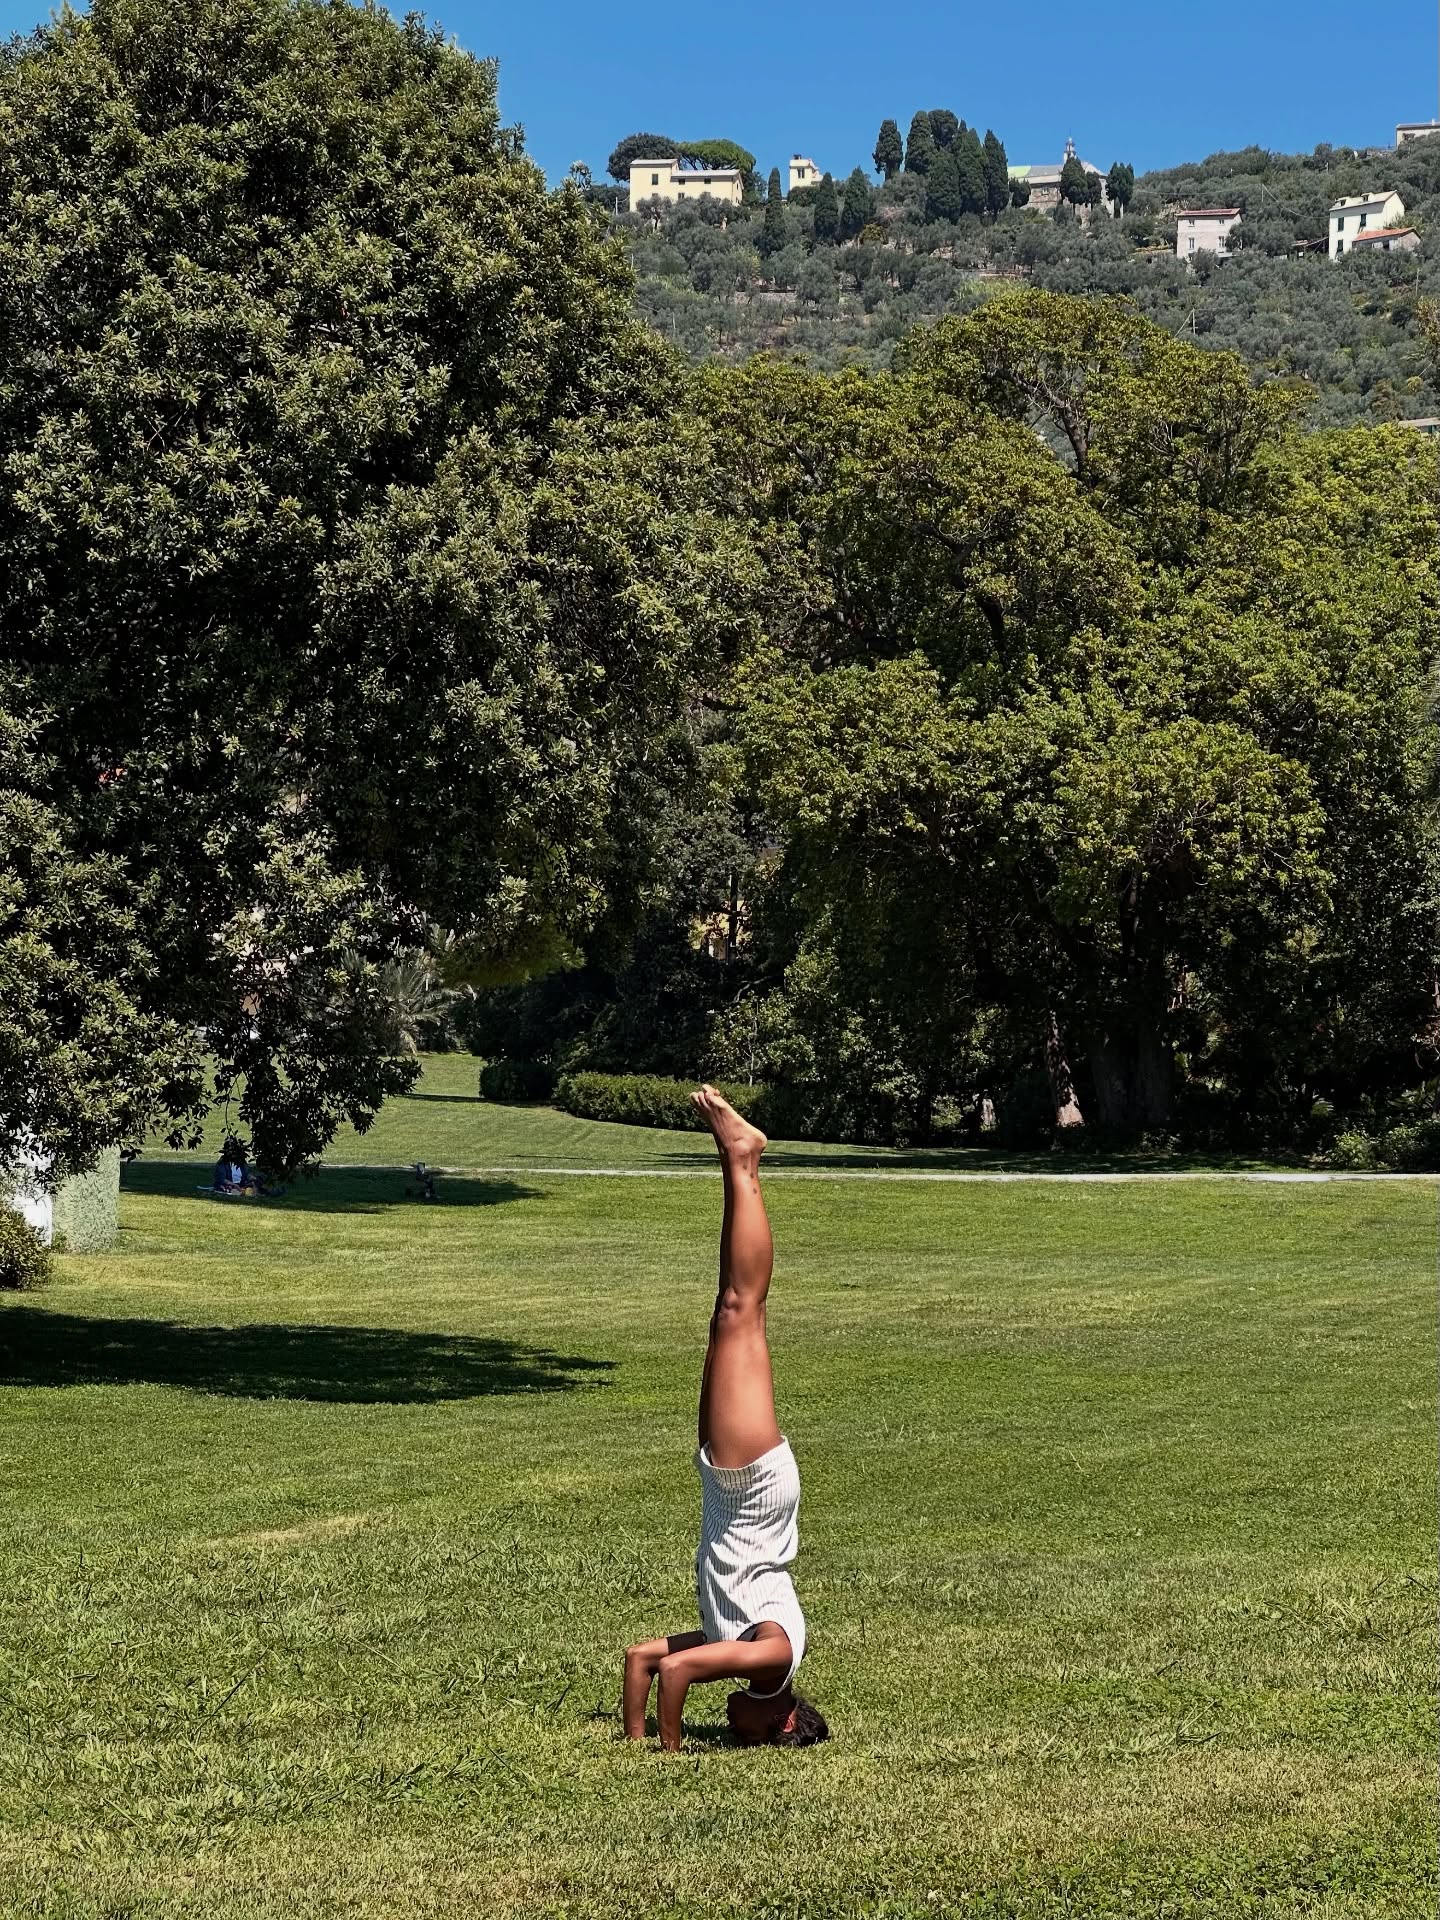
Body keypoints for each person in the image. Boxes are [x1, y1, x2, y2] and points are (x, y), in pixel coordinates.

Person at [623, 1085, 829, 1753]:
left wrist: (634, 1739)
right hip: (751, 1495)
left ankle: (735, 1161)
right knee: (742, 1312)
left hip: (732, 1490)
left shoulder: (734, 1643)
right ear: (783, 1722)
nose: (735, 1731)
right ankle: (743, 1160)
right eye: (750, 1738)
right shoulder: (770, 1663)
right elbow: (680, 1674)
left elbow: (646, 1660)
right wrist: (671, 1751)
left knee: (729, 1313)